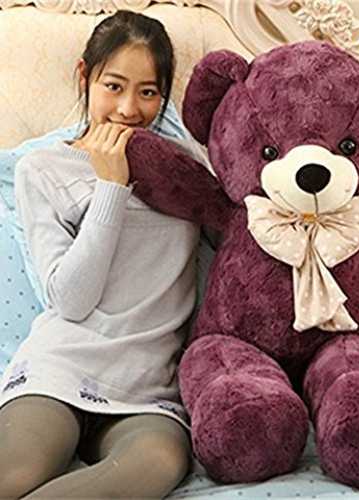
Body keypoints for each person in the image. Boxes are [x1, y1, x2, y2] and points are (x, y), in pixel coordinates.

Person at [0, 10, 204, 499]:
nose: (129, 109)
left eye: (148, 92)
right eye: (113, 86)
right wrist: (112, 187)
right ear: (84, 76)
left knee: (158, 463)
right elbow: (71, 300)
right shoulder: (43, 169)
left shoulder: (189, 171)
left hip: (148, 390)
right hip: (58, 370)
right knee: (12, 475)